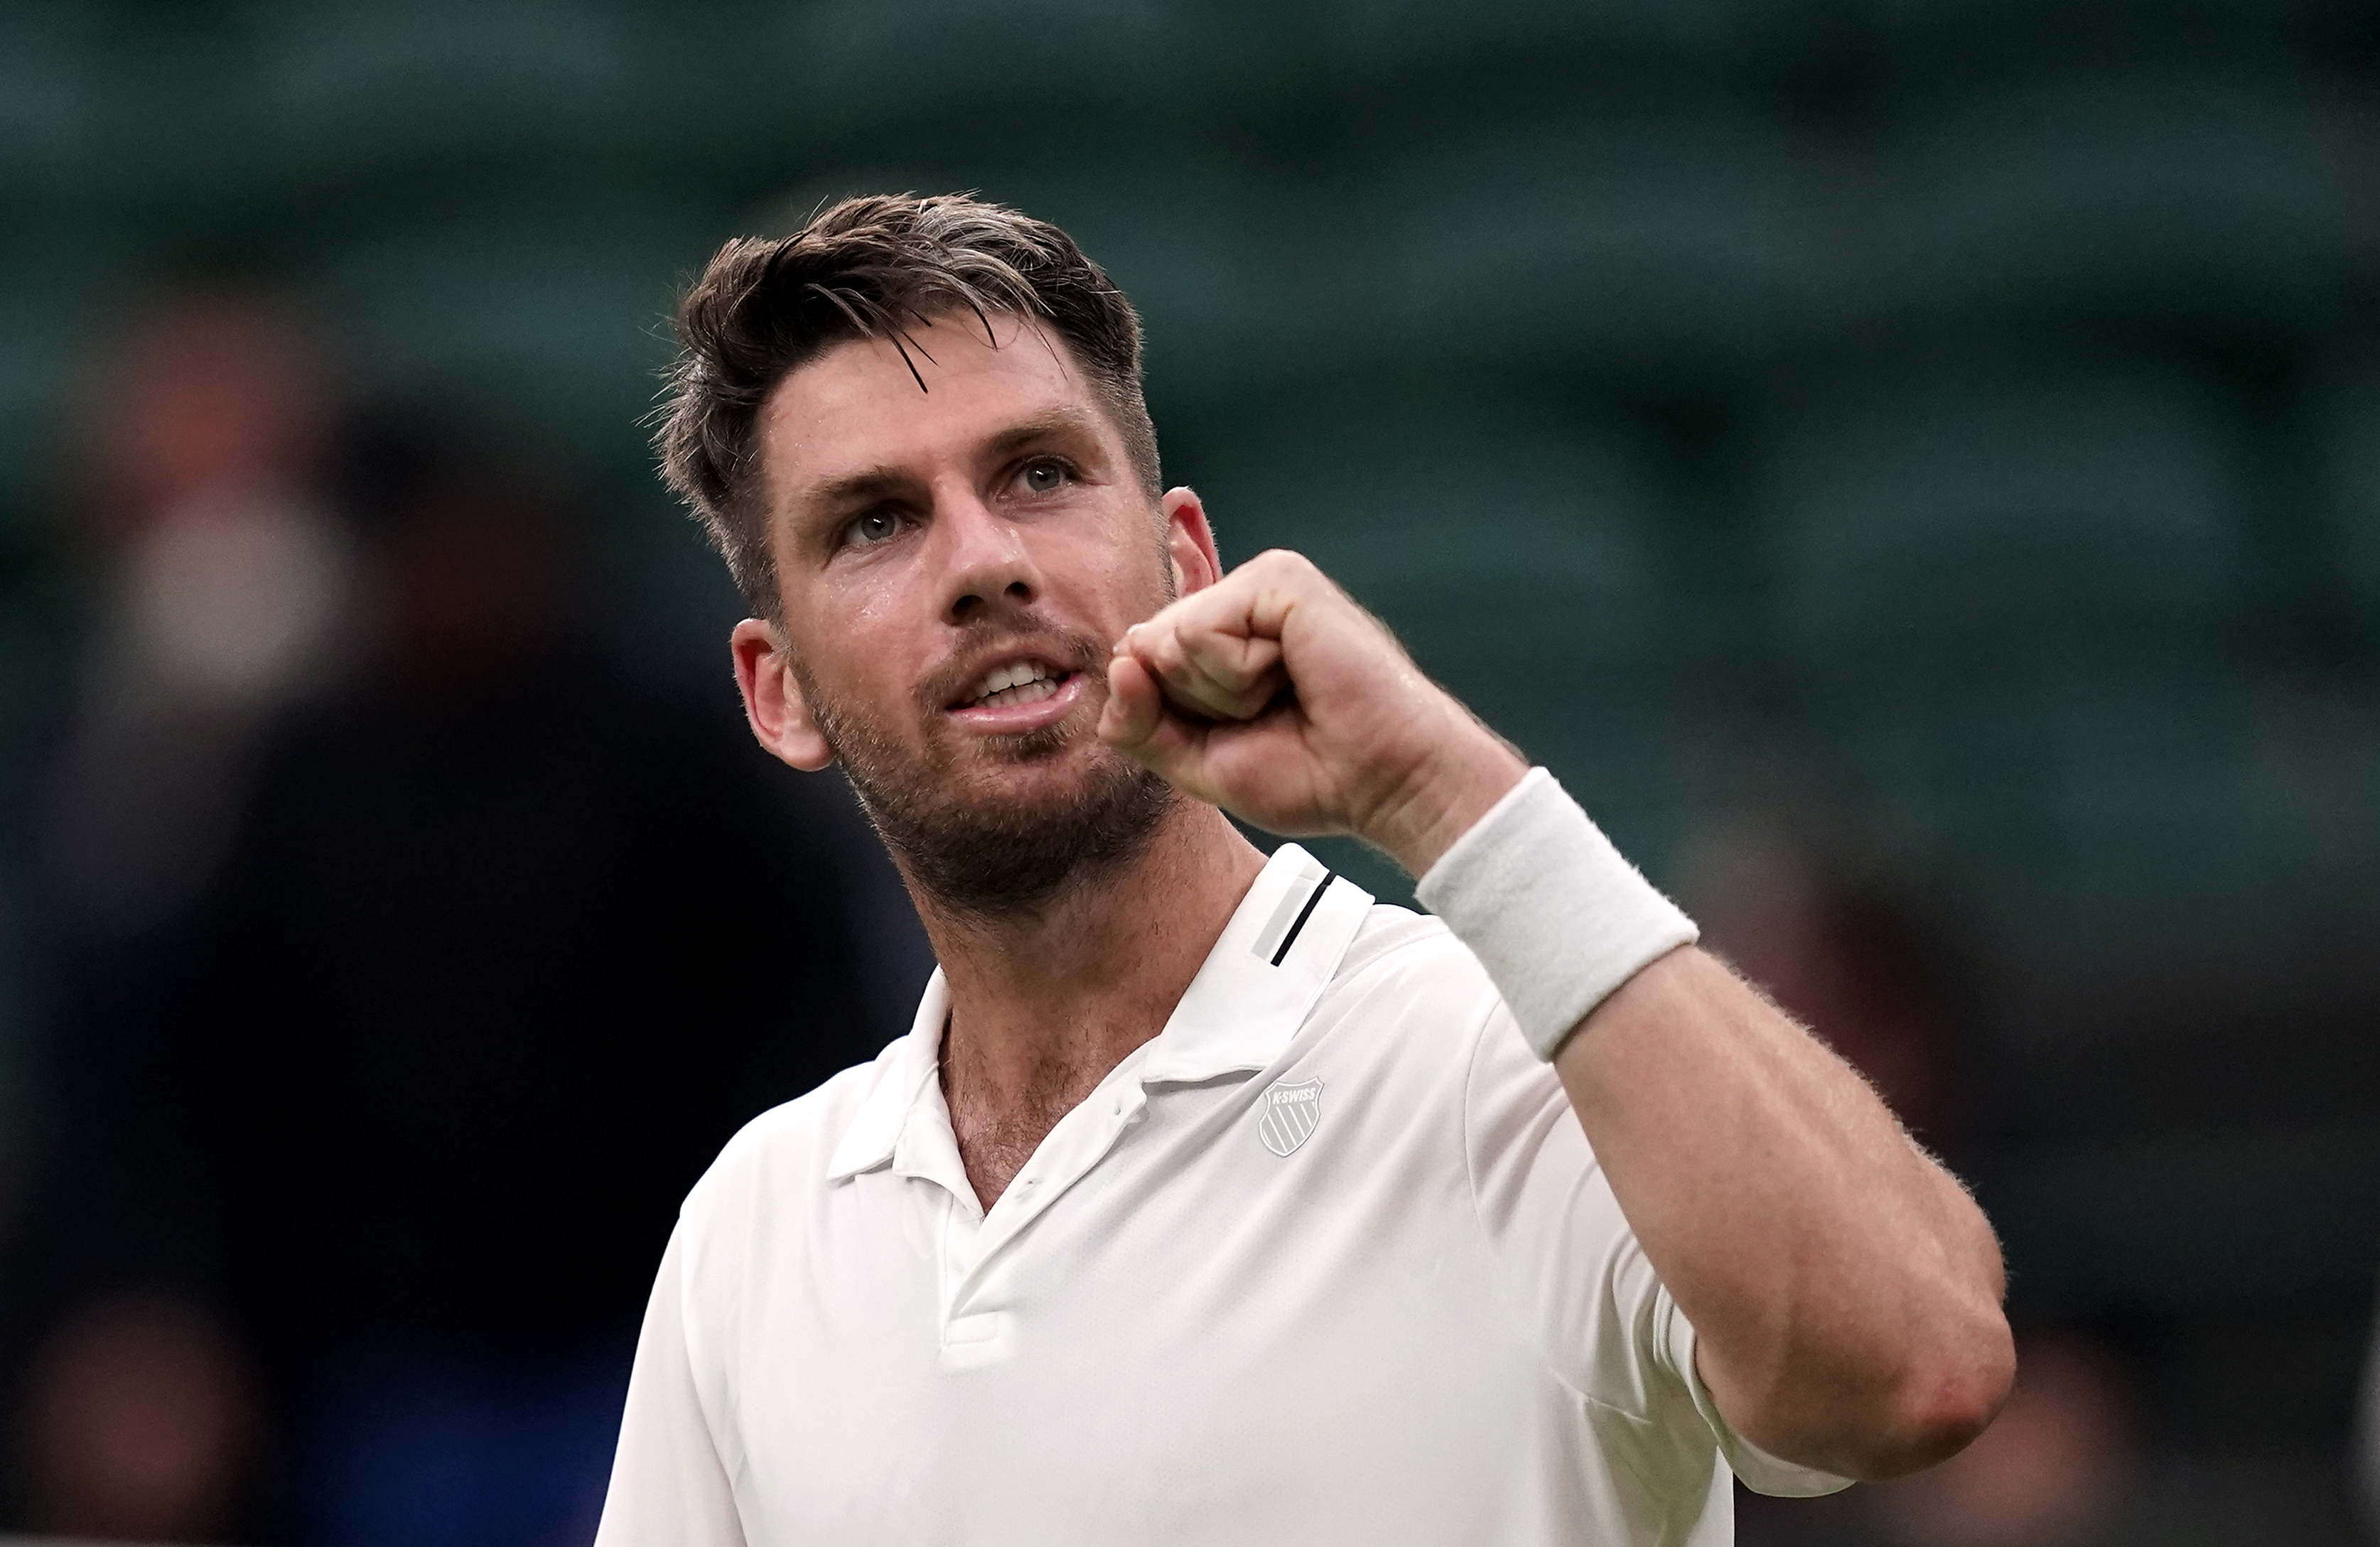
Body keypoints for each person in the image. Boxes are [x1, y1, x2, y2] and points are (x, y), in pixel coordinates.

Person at [595, 194, 2015, 1546]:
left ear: (1186, 561)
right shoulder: (755, 1227)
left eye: (1039, 473)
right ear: (777, 690)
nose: (981, 561)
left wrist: (1447, 791)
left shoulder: (1499, 1059)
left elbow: (1924, 1370)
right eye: (874, 522)